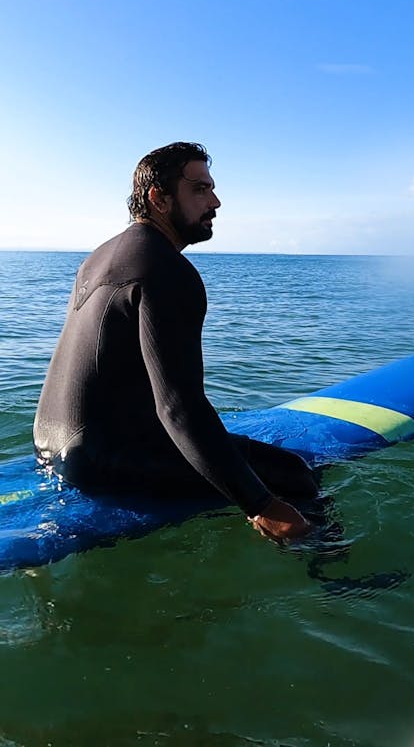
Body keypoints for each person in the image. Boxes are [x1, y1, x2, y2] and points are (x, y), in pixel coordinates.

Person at [34, 142, 316, 540]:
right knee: (295, 475)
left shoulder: (98, 257)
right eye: (199, 189)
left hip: (49, 448)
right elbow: (179, 409)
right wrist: (263, 505)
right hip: (102, 463)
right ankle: (338, 578)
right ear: (159, 198)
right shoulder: (167, 270)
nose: (216, 201)